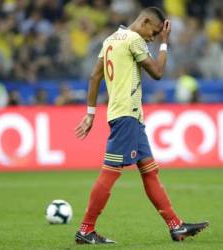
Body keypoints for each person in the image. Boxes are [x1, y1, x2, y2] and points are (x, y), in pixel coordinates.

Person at [74, 7, 209, 244]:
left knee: (149, 171)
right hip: (127, 115)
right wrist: (166, 43)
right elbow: (157, 72)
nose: (154, 37)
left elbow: (95, 76)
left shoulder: (111, 39)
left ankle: (176, 226)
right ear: (145, 22)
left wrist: (90, 114)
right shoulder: (134, 39)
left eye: (158, 36)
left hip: (129, 116)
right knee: (110, 172)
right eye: (155, 32)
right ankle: (86, 230)